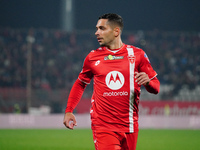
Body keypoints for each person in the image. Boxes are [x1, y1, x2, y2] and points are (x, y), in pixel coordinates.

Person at [63, 13, 160, 150]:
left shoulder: (137, 55)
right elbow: (80, 83)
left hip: (130, 125)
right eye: (97, 28)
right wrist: (69, 110)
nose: (97, 32)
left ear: (116, 31)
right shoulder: (92, 57)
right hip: (103, 125)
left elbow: (156, 87)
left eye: (102, 28)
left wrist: (148, 83)